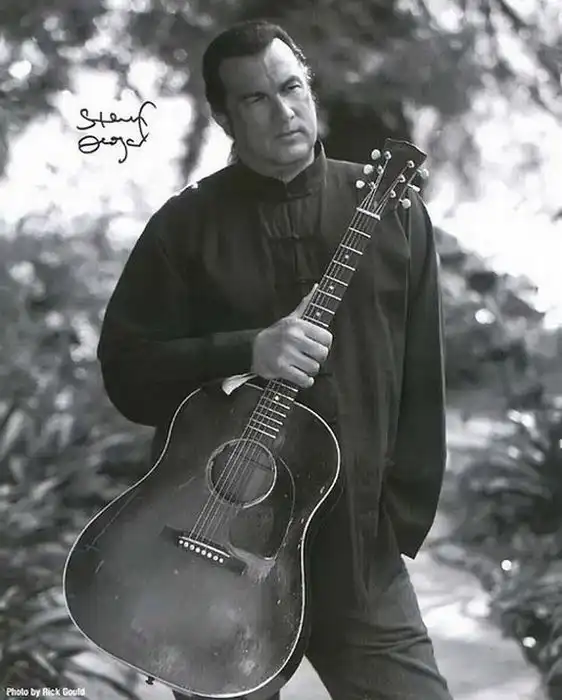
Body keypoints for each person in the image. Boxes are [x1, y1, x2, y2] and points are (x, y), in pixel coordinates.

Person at [97, 19, 451, 700]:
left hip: (357, 554)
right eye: (256, 98)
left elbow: (423, 375)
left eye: (292, 88)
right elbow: (128, 371)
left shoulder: (391, 212)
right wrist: (246, 349)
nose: (284, 111)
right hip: (217, 556)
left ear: (310, 91)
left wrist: (396, 522)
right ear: (224, 118)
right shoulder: (183, 226)